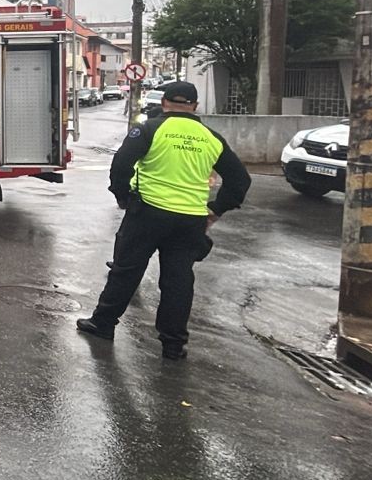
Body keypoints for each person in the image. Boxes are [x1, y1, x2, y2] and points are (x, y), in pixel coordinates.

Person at [76, 81, 252, 360]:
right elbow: (240, 180)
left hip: (148, 213)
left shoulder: (150, 128)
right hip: (190, 221)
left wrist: (123, 197)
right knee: (178, 281)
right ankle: (173, 344)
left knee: (126, 270)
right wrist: (215, 211)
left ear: (165, 102)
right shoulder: (211, 137)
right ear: (194, 106)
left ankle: (103, 324)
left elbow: (121, 165)